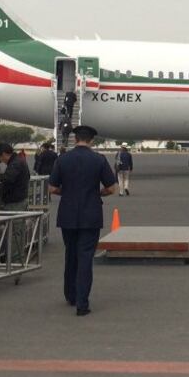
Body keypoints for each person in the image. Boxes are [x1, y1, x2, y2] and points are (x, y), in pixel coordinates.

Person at [48, 125, 117, 315]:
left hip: (67, 214)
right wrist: (97, 192)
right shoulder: (99, 160)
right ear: (91, 140)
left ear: (75, 139)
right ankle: (82, 303)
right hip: (91, 214)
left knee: (71, 254)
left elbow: (52, 188)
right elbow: (112, 188)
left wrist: (67, 192)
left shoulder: (63, 159)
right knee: (86, 257)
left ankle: (70, 294)